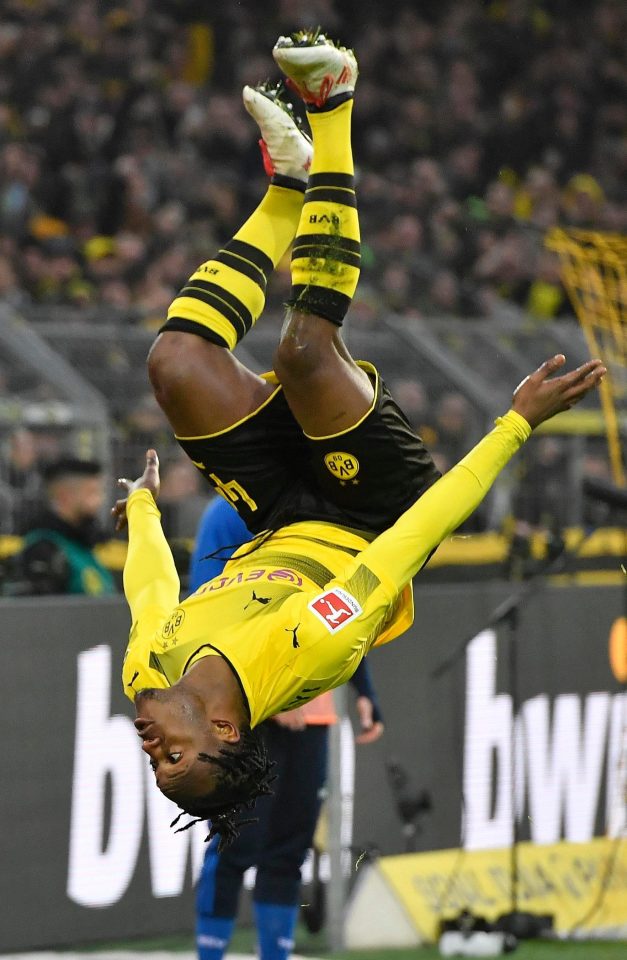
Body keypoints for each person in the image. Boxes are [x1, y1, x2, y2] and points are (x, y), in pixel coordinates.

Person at [113, 32, 605, 857]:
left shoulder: (146, 671)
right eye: (174, 755)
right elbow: (415, 539)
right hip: (374, 510)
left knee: (176, 362)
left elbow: (148, 590)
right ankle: (334, 102)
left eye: (151, 761)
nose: (149, 746)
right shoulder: (313, 648)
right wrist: (512, 424)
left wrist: (138, 506)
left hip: (278, 513)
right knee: (304, 353)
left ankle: (287, 190)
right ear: (228, 728)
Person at [190, 496, 383, 960]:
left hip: (312, 710)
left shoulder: (321, 506)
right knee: (237, 840)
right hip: (246, 712)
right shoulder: (228, 514)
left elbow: (339, 606)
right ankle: (209, 954)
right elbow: (208, 609)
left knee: (290, 844)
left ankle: (274, 952)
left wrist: (363, 688)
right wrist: (268, 695)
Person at [11, 456, 116, 595]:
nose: (100, 501)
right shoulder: (44, 550)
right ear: (64, 496)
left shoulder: (80, 546)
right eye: (92, 492)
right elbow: (44, 612)